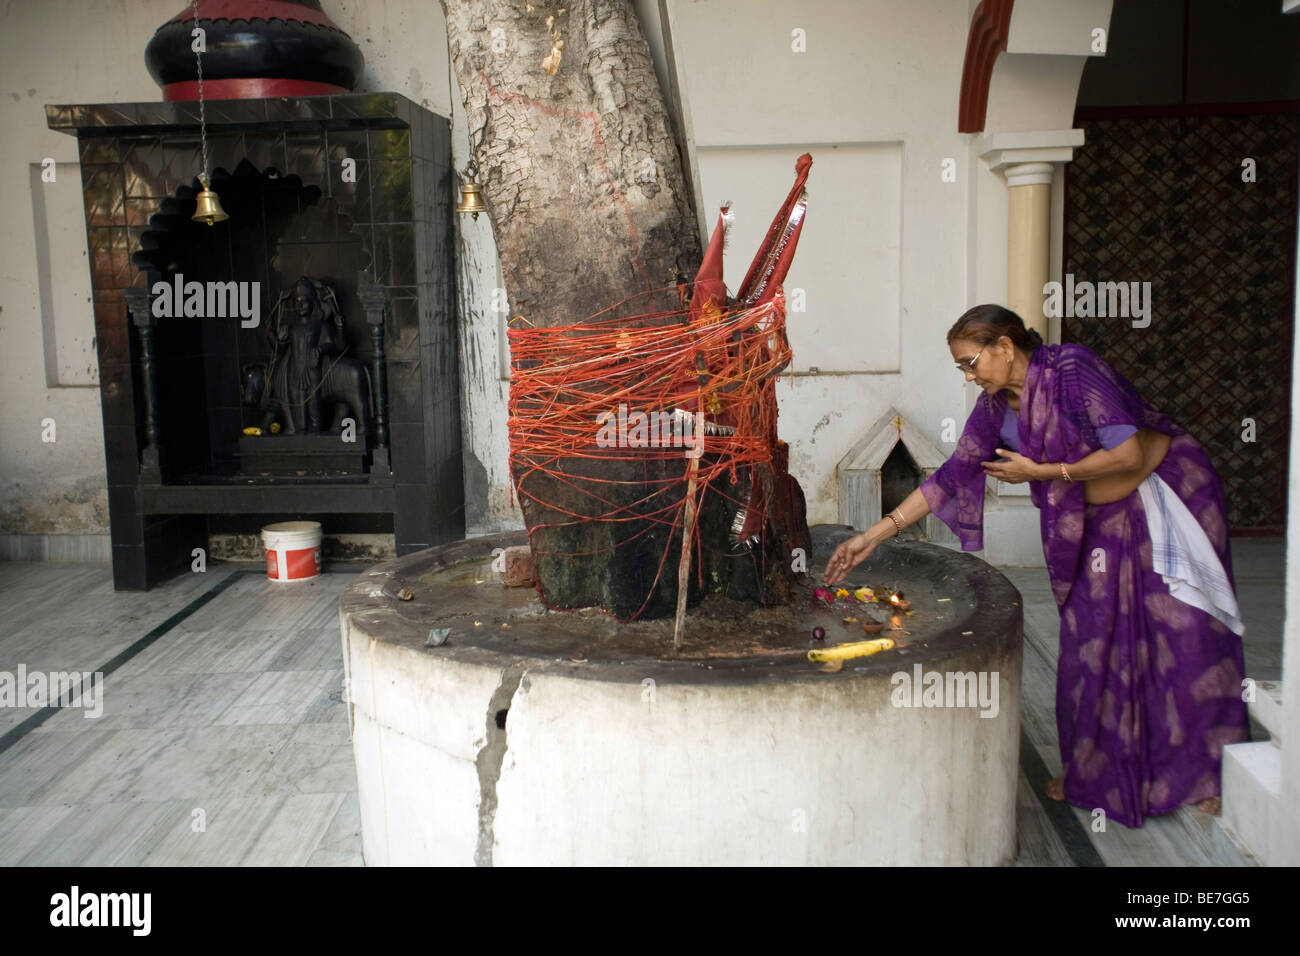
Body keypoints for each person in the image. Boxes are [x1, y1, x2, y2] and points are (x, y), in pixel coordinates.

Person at [823, 304, 1249, 828]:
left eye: (971, 361)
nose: (968, 374)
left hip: (1163, 497)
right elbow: (952, 476)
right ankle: (1100, 770)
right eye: (961, 366)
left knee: (1182, 629)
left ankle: (1205, 771)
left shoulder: (1073, 371)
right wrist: (873, 535)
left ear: (1005, 345)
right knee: (1095, 637)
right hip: (1101, 515)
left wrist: (1043, 471)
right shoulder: (993, 405)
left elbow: (1130, 454)